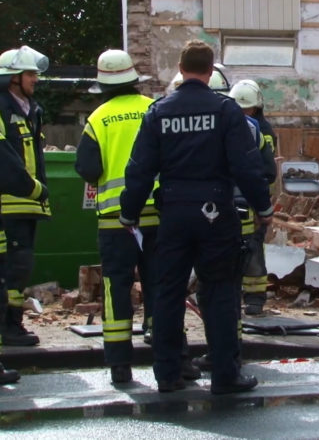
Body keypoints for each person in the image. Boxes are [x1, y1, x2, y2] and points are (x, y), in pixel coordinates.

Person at [120, 40, 273, 394]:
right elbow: (247, 167)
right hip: (216, 212)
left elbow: (140, 169)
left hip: (172, 212)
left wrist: (129, 213)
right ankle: (224, 374)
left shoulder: (159, 111)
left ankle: (168, 374)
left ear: (180, 66)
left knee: (168, 293)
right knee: (219, 292)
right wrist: (263, 208)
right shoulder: (226, 111)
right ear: (210, 71)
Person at [75, 49, 200, 384]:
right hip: (160, 215)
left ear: (102, 85)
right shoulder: (153, 108)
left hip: (115, 221)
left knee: (117, 288)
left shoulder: (97, 119)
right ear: (134, 80)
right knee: (164, 287)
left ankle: (119, 365)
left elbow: (88, 169)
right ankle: (176, 360)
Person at [0, 64, 49, 382]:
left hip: (28, 204)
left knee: (19, 268)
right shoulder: (3, 109)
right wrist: (34, 188)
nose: (35, 80)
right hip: (10, 203)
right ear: (12, 78)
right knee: (12, 269)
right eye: (30, 75)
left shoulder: (31, 110)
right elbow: (6, 159)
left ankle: (12, 324)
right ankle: (10, 326)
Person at [228, 79, 278, 316]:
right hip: (239, 198)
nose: (243, 113)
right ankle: (238, 295)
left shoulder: (259, 131)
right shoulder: (257, 128)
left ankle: (255, 297)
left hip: (251, 199)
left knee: (254, 247)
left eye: (246, 109)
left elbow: (266, 171)